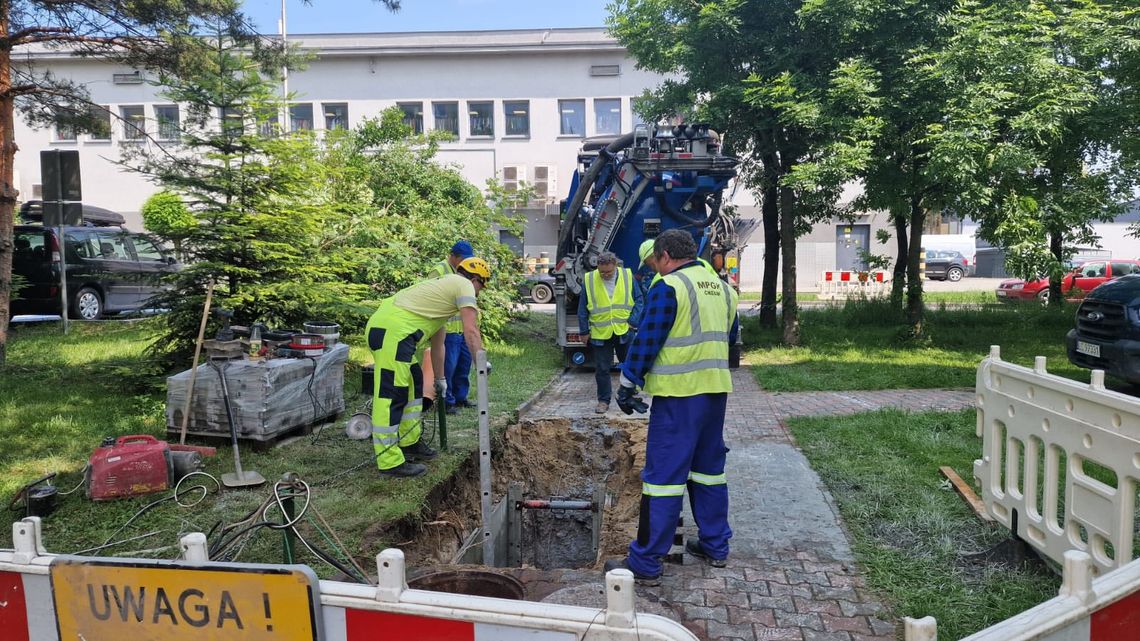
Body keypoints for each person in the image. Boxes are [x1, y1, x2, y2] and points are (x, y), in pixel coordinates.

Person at [604, 229, 739, 585]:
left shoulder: (669, 287)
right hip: (715, 393)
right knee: (709, 471)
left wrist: (628, 383)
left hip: (679, 398)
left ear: (664, 256)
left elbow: (649, 339)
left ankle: (646, 562)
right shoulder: (724, 290)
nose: (656, 269)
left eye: (656, 262)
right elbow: (728, 339)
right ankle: (715, 544)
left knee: (663, 478)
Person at [365, 257, 491, 478]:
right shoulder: (462, 286)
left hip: (393, 332)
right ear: (475, 279)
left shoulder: (443, 295)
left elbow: (438, 343)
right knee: (391, 394)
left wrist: (440, 379)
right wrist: (480, 361)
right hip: (392, 333)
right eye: (482, 286)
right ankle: (389, 460)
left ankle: (409, 441)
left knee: (414, 383)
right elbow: (471, 330)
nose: (479, 294)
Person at [577, 251, 644, 413]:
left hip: (623, 330)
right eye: (602, 272)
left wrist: (632, 322)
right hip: (601, 333)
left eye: (609, 272)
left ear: (615, 266)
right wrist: (584, 331)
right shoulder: (590, 279)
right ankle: (603, 400)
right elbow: (583, 308)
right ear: (597, 267)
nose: (605, 275)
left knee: (628, 365)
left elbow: (639, 300)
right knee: (602, 369)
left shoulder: (627, 276)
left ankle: (629, 393)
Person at [426, 240, 476, 414]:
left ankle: (461, 398)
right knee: (448, 368)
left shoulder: (466, 271)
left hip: (462, 329)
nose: (465, 262)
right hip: (447, 331)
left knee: (463, 366)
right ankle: (447, 402)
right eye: (462, 258)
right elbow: (433, 299)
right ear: (453, 256)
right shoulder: (439, 271)